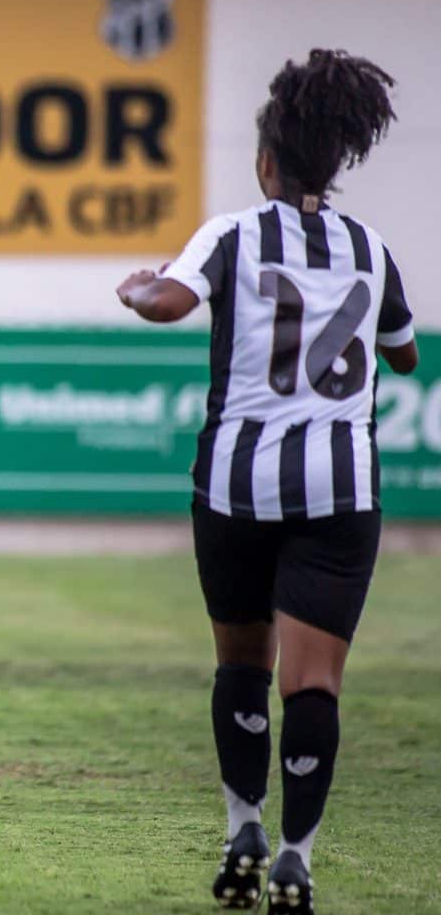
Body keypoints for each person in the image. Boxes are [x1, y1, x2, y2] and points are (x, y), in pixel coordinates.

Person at [116, 49, 416, 915]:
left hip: (236, 488)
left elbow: (169, 303)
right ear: (340, 161)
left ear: (266, 162)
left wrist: (138, 289)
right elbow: (402, 351)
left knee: (242, 666)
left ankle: (242, 823)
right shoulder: (372, 249)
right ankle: (296, 857)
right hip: (340, 492)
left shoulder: (232, 233)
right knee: (314, 684)